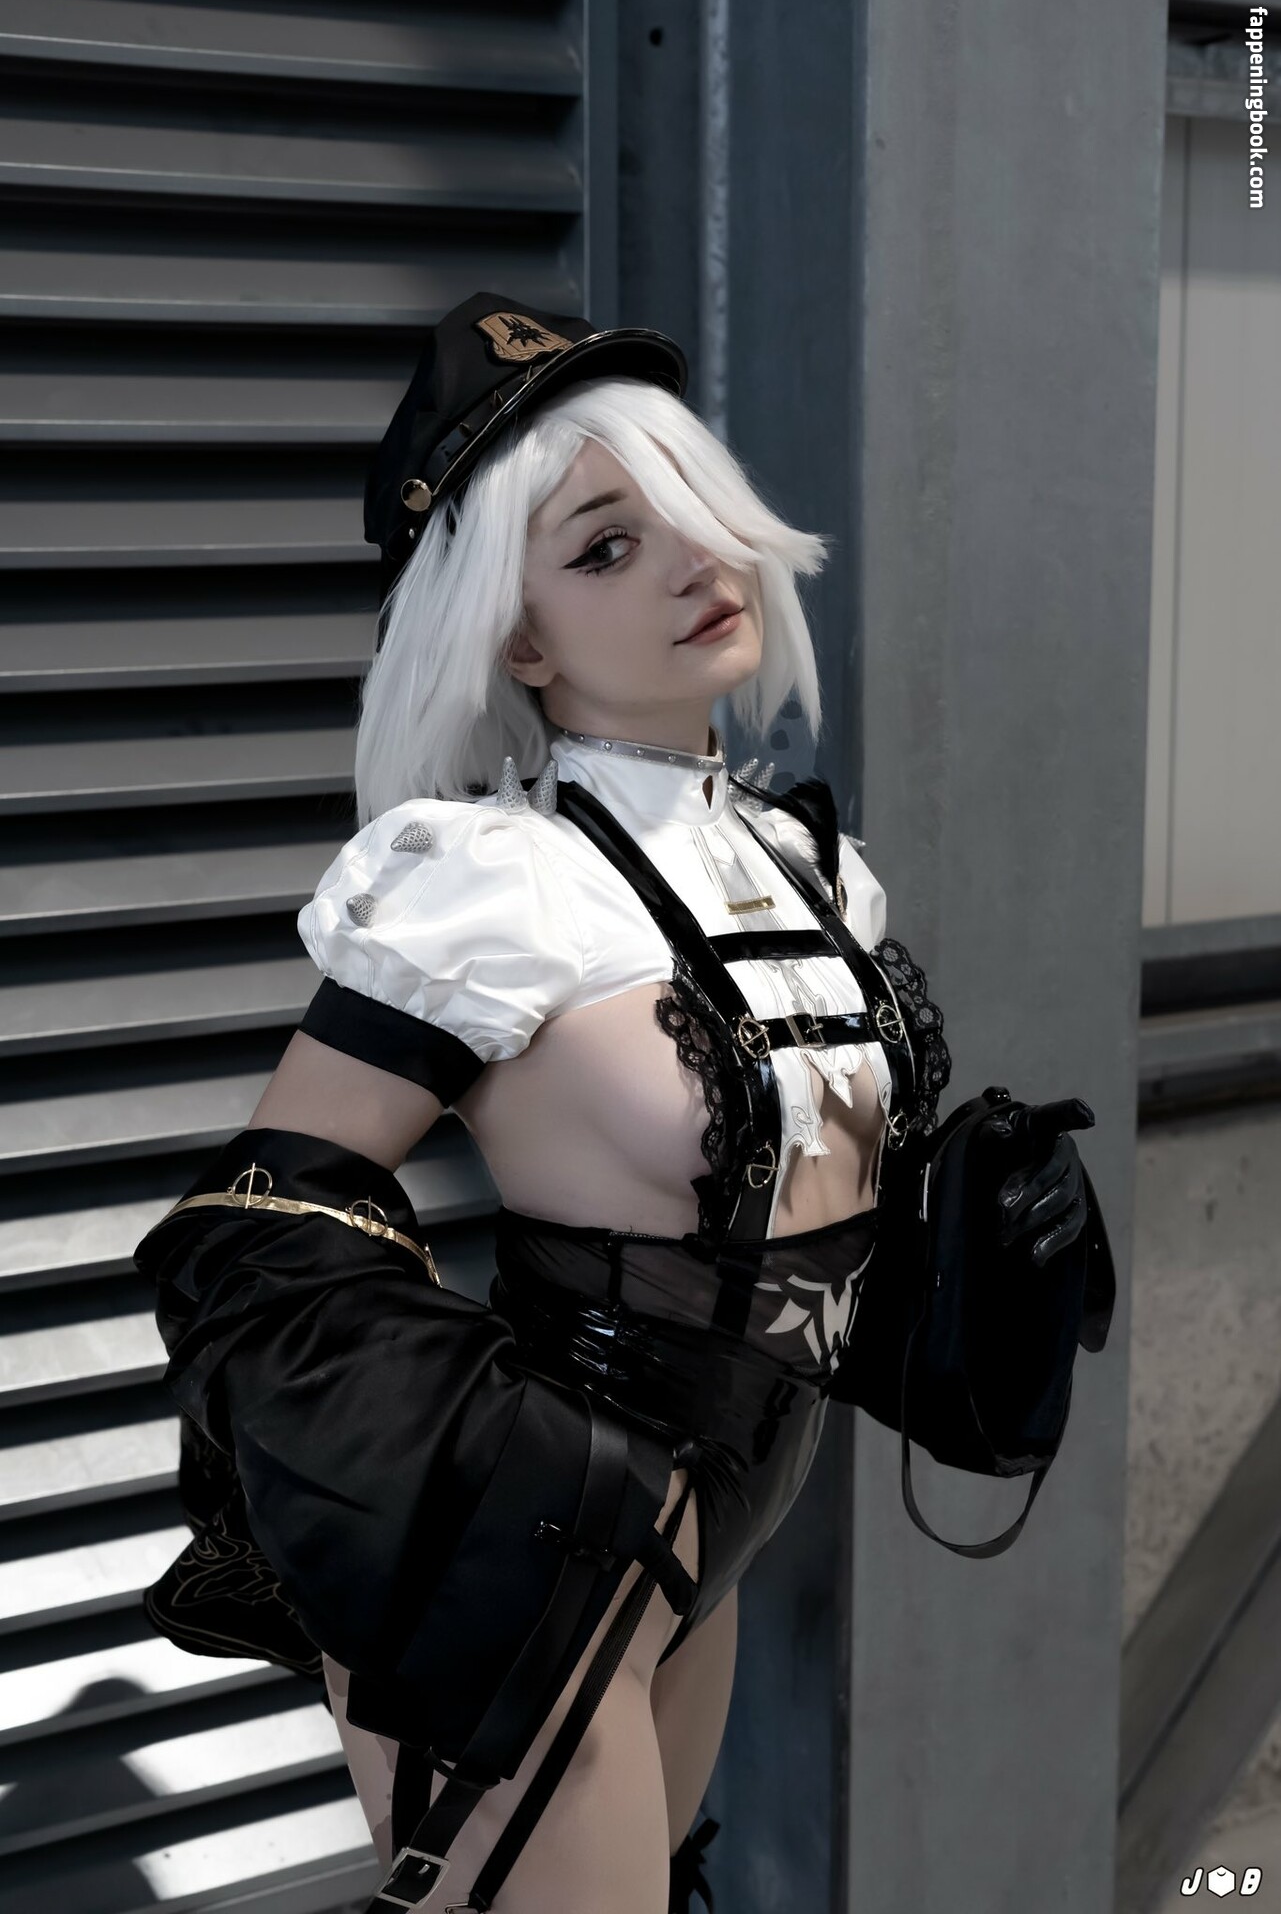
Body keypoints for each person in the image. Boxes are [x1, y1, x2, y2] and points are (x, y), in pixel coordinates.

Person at [136, 295, 1073, 1913]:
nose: (693, 563)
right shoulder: (484, 886)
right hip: (537, 1556)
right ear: (517, 639)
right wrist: (464, 1456)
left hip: (728, 1524)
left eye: (694, 512)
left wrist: (970, 1223)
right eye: (605, 548)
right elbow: (261, 1218)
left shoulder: (806, 866)